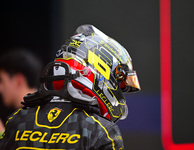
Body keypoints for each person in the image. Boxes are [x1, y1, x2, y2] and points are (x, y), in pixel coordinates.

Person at [0, 25, 141, 150]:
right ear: (99, 70)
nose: (118, 92)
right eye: (118, 83)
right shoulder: (101, 132)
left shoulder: (18, 121)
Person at [0, 50, 42, 135]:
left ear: (18, 80)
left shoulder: (35, 118)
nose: (0, 88)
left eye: (2, 80)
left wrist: (1, 134)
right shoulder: (46, 110)